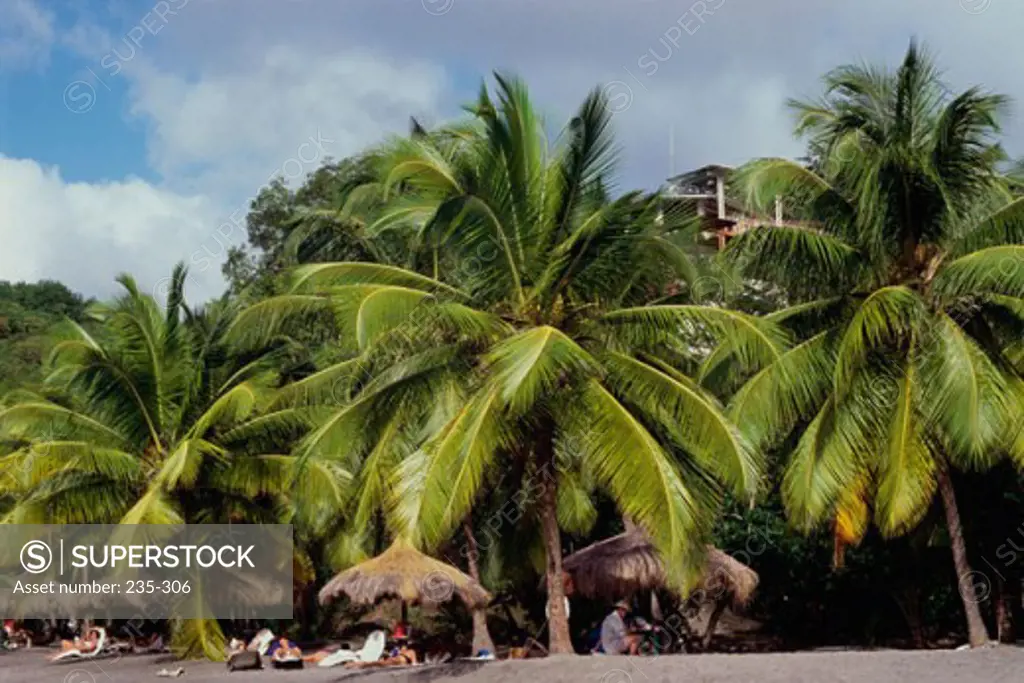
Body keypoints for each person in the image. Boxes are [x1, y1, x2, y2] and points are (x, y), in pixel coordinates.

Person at [343, 645, 417, 669]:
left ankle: (353, 664)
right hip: (395, 661)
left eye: (404, 646)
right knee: (375, 663)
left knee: (375, 663)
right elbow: (414, 664)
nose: (403, 648)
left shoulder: (408, 651)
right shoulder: (409, 652)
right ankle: (355, 664)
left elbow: (414, 663)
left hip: (394, 660)